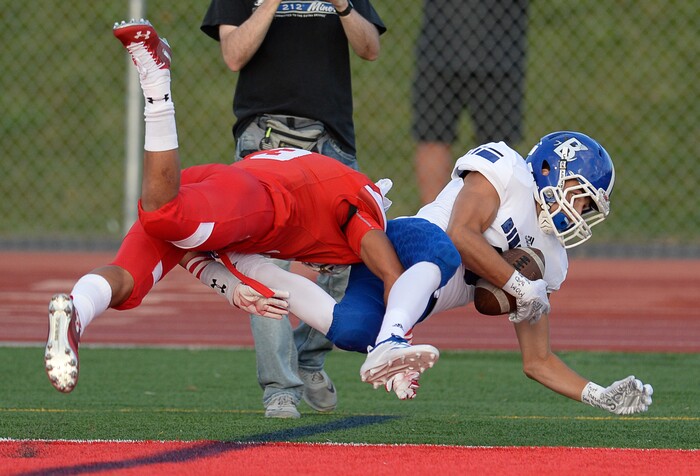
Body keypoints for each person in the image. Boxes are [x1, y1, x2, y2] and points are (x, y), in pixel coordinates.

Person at [44, 20, 442, 400]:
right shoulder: (359, 206)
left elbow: (207, 253)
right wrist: (396, 337)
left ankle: (76, 309)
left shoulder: (332, 212)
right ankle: (156, 81)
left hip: (229, 194)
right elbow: (386, 265)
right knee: (167, 216)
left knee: (128, 280)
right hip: (260, 199)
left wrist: (232, 287)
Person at [210, 131, 654, 414]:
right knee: (442, 255)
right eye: (580, 197)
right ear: (550, 169)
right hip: (411, 241)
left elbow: (537, 361)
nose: (580, 211)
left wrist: (601, 395)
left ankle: (252, 265)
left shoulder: (552, 259)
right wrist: (518, 283)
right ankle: (392, 342)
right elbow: (462, 235)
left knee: (348, 330)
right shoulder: (508, 169)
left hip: (412, 299)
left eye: (588, 207)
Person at [200, 0, 387, 418]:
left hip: (331, 137)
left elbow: (370, 47)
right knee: (265, 263)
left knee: (353, 258)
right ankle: (280, 388)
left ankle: (309, 358)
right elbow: (233, 55)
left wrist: (341, 5)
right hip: (263, 133)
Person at [412, 0, 529, 204]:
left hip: (500, 53)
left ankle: (488, 224)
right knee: (433, 138)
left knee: (498, 152)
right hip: (441, 48)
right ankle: (433, 224)